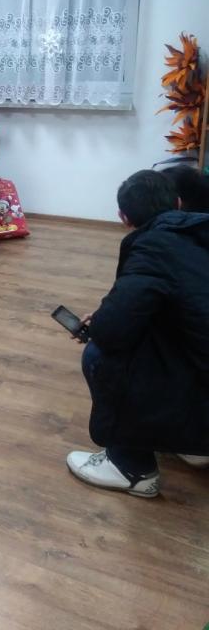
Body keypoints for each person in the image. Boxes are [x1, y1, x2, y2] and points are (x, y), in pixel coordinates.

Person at [67, 170, 209, 498]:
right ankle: (193, 446)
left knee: (99, 355)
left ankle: (131, 467)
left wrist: (98, 324)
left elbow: (111, 332)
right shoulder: (198, 232)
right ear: (178, 203)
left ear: (123, 218)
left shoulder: (153, 247)